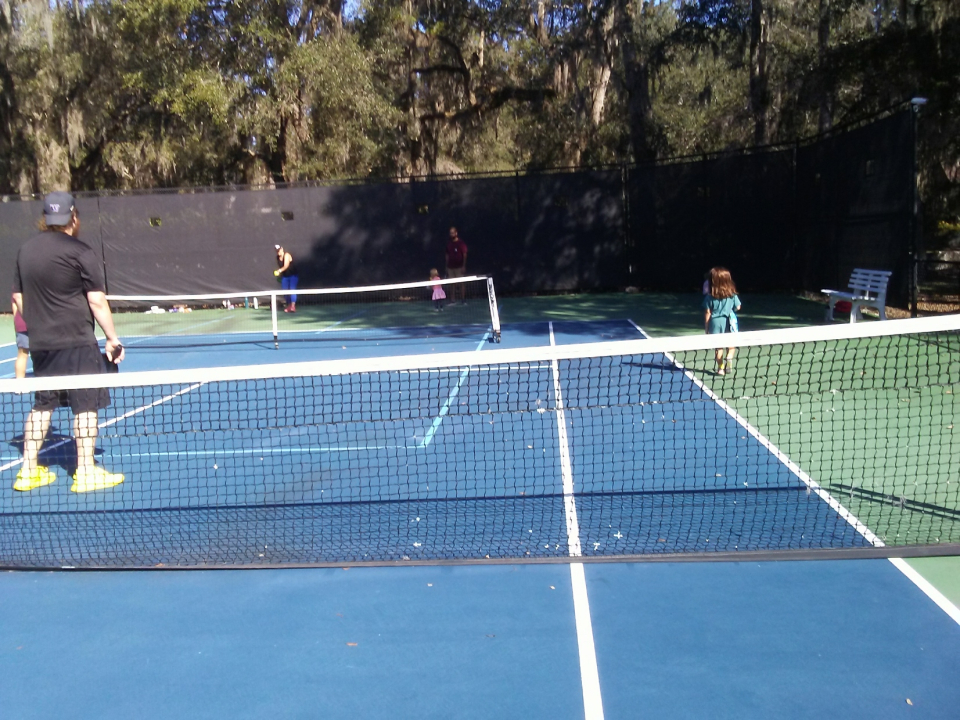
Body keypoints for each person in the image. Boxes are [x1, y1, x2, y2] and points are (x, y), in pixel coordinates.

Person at [11, 191, 125, 493]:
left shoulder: (25, 251)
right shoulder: (80, 251)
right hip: (77, 344)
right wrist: (112, 339)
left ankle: (28, 471)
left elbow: (17, 297)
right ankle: (85, 472)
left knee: (42, 405)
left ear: (45, 218)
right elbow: (97, 301)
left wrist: (37, 325)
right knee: (85, 406)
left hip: (42, 346)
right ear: (73, 217)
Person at [702, 266, 741, 376]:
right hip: (729, 321)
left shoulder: (709, 298)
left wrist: (706, 328)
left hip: (715, 323)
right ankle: (729, 357)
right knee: (731, 344)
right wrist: (730, 308)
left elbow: (707, 313)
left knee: (718, 347)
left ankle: (720, 368)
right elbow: (738, 307)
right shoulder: (732, 296)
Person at [444, 227, 468, 304]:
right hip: (450, 268)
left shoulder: (461, 244)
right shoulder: (449, 244)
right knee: (452, 284)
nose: (451, 234)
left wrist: (463, 266)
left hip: (459, 267)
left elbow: (464, 255)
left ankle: (463, 299)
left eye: (453, 233)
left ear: (456, 233)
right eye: (450, 233)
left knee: (461, 284)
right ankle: (452, 300)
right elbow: (447, 255)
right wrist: (447, 266)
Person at [274, 244, 299, 313]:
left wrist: (279, 271)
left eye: (279, 250)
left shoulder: (287, 255)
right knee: (285, 292)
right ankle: (289, 306)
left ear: (282, 249)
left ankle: (293, 306)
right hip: (285, 277)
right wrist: (280, 276)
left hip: (293, 276)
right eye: (277, 251)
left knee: (292, 290)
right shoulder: (277, 258)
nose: (278, 252)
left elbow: (286, 266)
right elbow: (282, 268)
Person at [11, 290, 29, 379]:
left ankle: (19, 385)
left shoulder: (16, 285)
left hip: (21, 323)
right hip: (37, 322)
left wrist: (17, 322)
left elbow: (14, 307)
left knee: (22, 354)